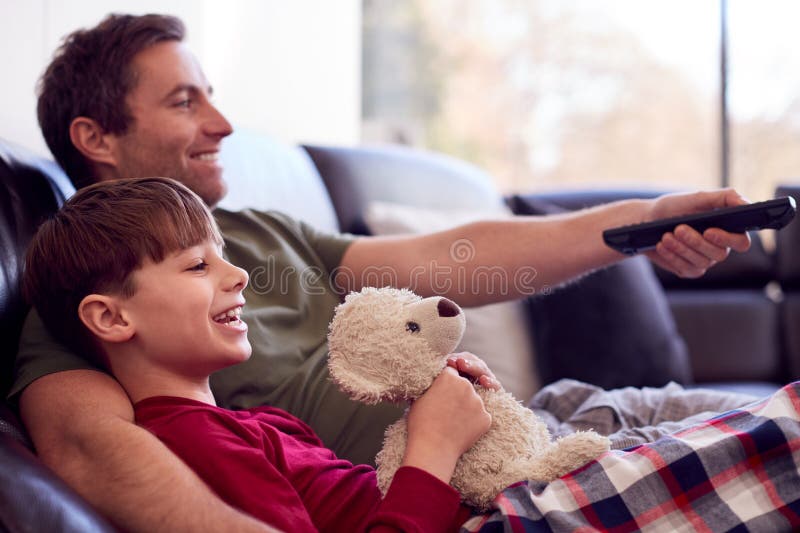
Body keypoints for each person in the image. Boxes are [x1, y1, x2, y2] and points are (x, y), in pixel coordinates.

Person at [12, 13, 755, 532]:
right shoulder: (85, 290)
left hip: (551, 420)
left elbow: (447, 261)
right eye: (185, 101)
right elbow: (89, 450)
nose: (224, 123)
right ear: (96, 137)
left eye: (212, 94)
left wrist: (637, 223)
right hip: (484, 487)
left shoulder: (254, 232)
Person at [23, 176, 501, 532]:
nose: (239, 275)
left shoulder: (258, 425)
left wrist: (446, 411)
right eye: (196, 265)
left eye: (223, 255)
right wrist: (434, 444)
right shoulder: (195, 443)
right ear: (111, 319)